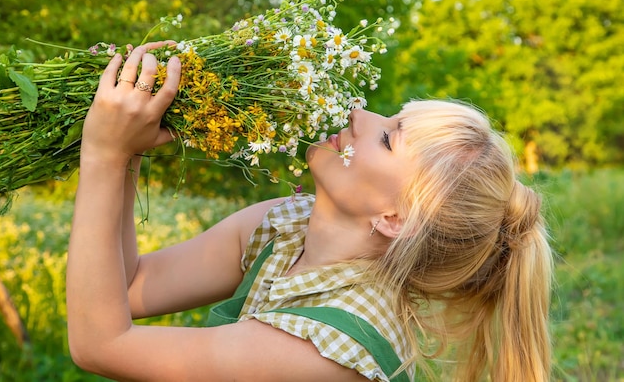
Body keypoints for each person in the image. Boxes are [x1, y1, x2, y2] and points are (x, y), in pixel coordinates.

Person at [67, 42, 553, 382]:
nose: (360, 115)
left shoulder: (331, 345)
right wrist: (128, 150)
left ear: (396, 218)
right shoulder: (289, 225)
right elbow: (127, 289)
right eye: (392, 116)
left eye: (388, 138)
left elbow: (99, 345)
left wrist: (103, 154)